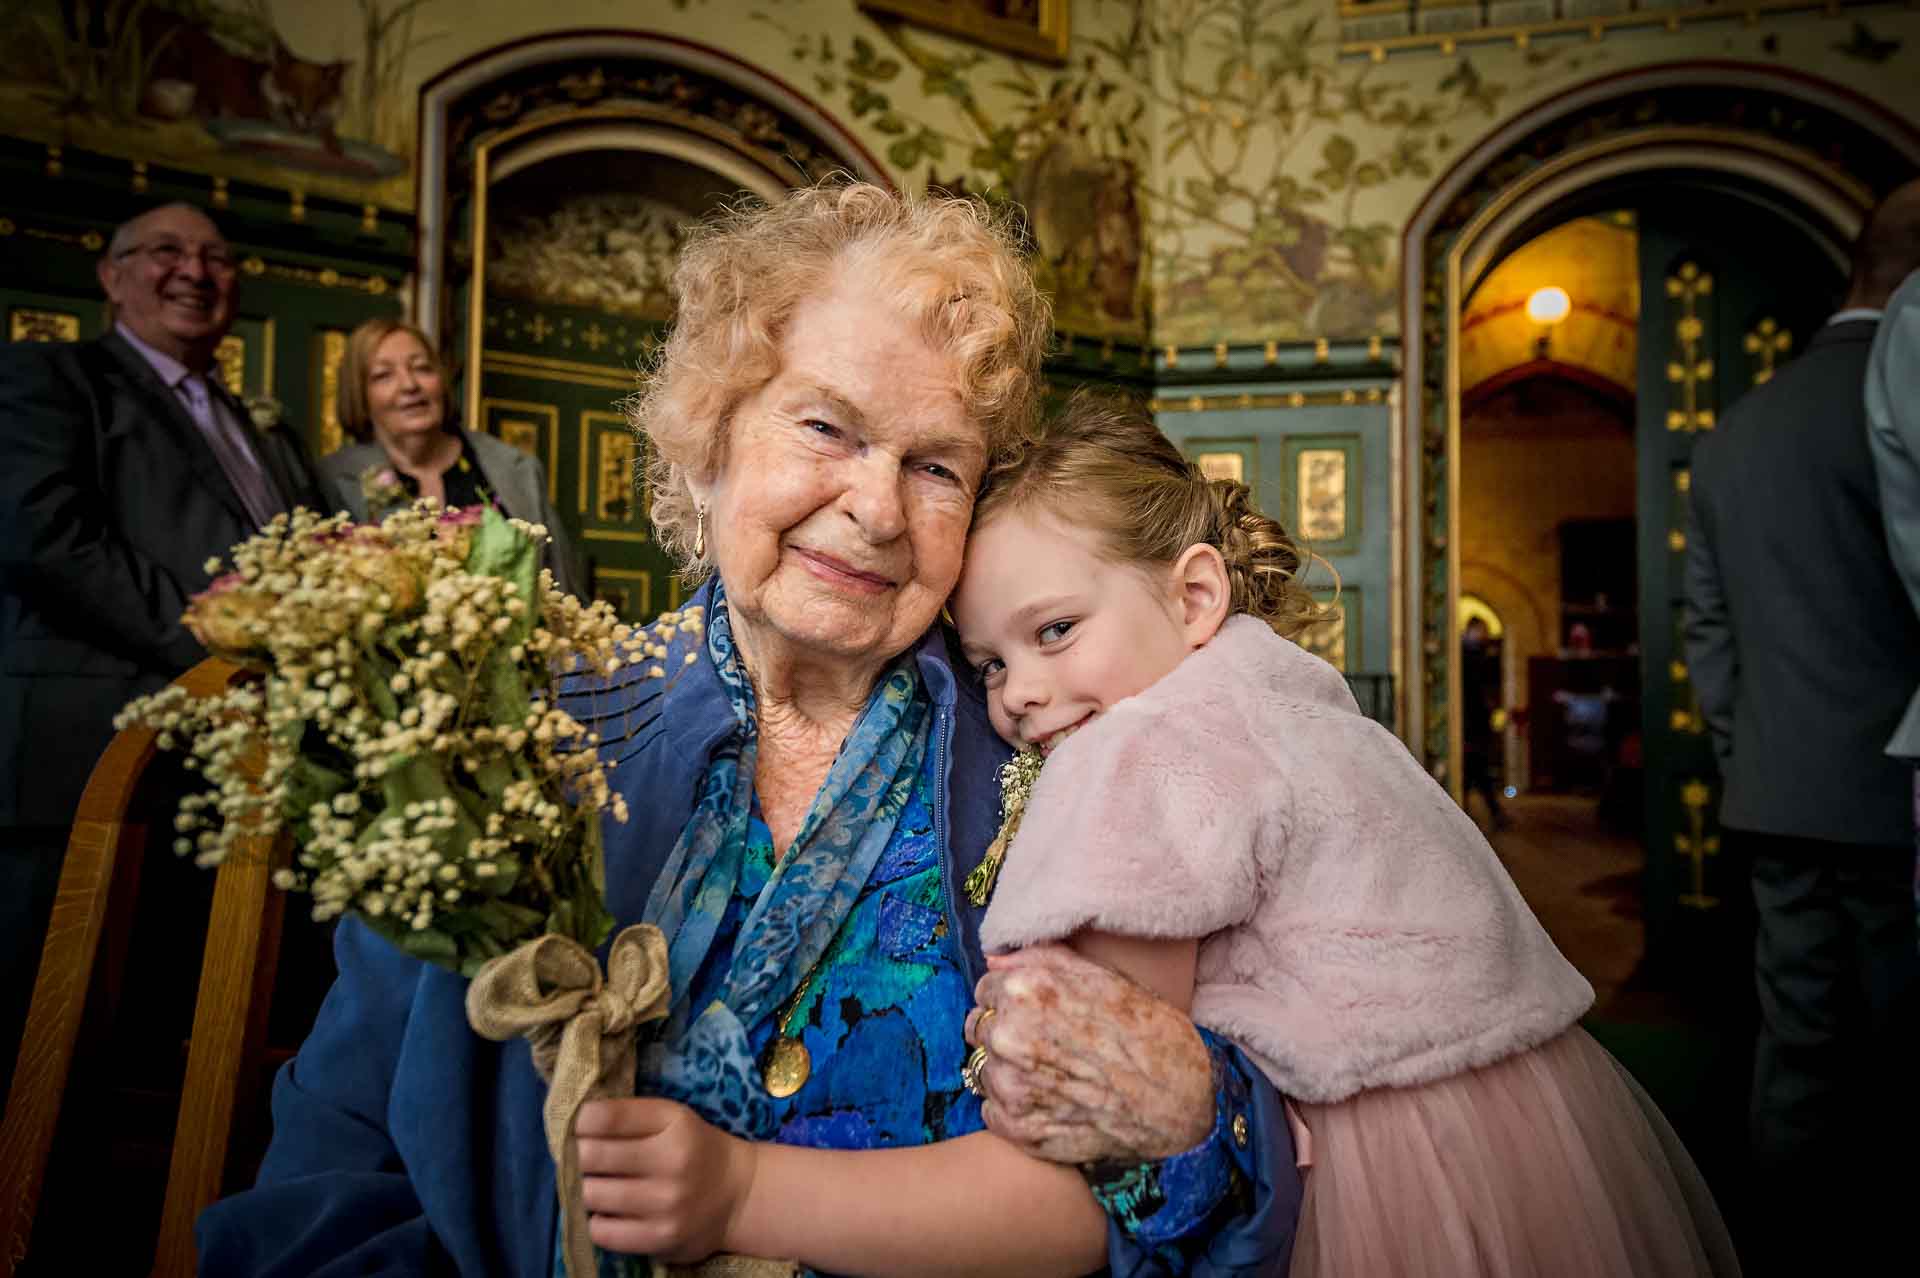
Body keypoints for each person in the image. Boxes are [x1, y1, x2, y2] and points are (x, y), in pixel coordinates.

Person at [196, 183, 1302, 1276]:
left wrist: (1193, 1103)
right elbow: (334, 1175)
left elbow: (1196, 1173)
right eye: (826, 426)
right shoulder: (514, 740)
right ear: (708, 438)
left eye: (934, 466)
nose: (875, 507)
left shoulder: (1061, 743)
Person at [953, 393, 1738, 1277]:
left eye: (1055, 631)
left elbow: (1106, 1079)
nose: (1017, 692)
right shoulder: (1291, 701)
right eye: (990, 663)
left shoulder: (1140, 747)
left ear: (1196, 594)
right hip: (1519, 1111)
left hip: (1374, 1142)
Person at [0, 201, 328, 1093]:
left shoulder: (262, 427)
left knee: (163, 1067)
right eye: (166, 251)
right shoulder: (52, 379)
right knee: (36, 1057)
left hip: (231, 781)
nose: (194, 269)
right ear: (112, 277)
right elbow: (44, 537)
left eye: (217, 256)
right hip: (85, 763)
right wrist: (214, 641)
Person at [1685, 179, 1920, 1270]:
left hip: (1778, 792)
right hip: (1900, 796)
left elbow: (1709, 630)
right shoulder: (1898, 408)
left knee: (1800, 1045)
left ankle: (1782, 1245)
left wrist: (1752, 753)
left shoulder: (1737, 431)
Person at [319, 317, 586, 596]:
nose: (409, 385)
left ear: (442, 380)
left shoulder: (517, 469)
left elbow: (564, 588)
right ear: (360, 395)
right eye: (383, 375)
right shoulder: (331, 480)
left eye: (422, 368)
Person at [1459, 615, 1508, 831]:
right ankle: (1492, 812)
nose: (1484, 635)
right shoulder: (1468, 655)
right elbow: (1474, 692)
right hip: (1470, 722)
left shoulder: (1476, 654)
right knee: (1477, 768)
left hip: (1475, 722)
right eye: (1482, 631)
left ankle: (1475, 813)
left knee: (1475, 769)